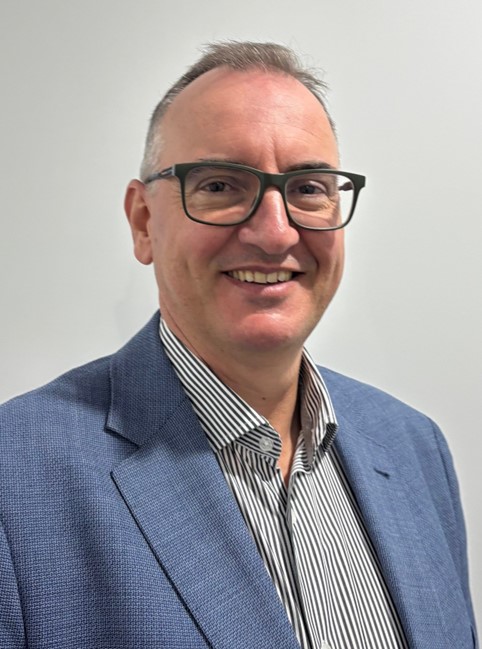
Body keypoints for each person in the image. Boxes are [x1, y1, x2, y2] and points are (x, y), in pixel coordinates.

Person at [0, 41, 477, 649]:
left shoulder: (415, 448)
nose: (275, 233)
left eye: (308, 188)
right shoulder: (16, 478)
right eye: (221, 185)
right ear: (143, 222)